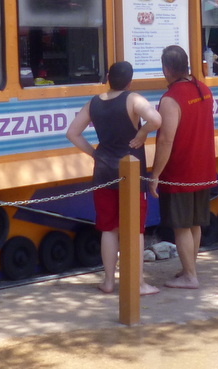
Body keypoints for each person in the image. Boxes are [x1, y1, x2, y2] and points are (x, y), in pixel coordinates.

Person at [65, 61, 162, 295]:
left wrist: (94, 153)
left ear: (108, 78)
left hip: (103, 172)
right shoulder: (133, 99)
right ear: (130, 82)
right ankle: (138, 284)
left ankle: (108, 281)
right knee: (135, 230)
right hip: (131, 172)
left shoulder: (94, 102)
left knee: (108, 228)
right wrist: (142, 132)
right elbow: (156, 120)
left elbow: (72, 133)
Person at [148, 45, 217, 289]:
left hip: (180, 170)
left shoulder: (171, 99)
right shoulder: (203, 89)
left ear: (166, 69)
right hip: (203, 166)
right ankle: (190, 268)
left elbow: (166, 140)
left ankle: (190, 276)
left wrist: (155, 174)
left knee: (181, 226)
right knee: (195, 223)